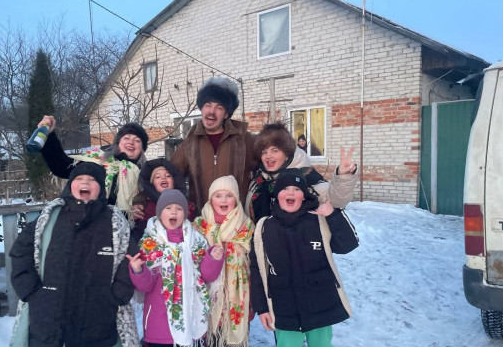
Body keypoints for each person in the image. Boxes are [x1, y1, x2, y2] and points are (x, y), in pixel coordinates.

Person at [8, 162, 141, 347]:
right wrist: (31, 292)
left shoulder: (113, 222)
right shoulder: (50, 217)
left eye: (92, 181)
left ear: (101, 189)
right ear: (70, 185)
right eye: (80, 179)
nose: (85, 183)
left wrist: (116, 296)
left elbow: (130, 259)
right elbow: (20, 254)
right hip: (49, 315)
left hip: (95, 317)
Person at [250, 169, 359, 347]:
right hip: (284, 307)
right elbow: (257, 271)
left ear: (303, 196)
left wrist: (333, 214)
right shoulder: (264, 227)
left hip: (320, 304)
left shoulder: (318, 221)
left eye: (296, 189)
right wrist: (262, 308)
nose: (291, 193)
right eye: (285, 189)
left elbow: (348, 244)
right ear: (277, 195)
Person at [127, 189, 225, 347]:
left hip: (192, 325)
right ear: (160, 213)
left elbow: (207, 275)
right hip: (159, 327)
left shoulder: (197, 240)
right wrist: (138, 270)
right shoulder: (149, 243)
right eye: (168, 208)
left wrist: (213, 258)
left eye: (179, 208)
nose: (174, 212)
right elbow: (145, 285)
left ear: (185, 213)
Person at [193, 176, 255, 347]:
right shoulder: (198, 226)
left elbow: (254, 264)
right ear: (211, 199)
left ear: (236, 199)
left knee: (232, 343)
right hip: (206, 294)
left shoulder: (246, 227)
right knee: (207, 339)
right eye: (218, 195)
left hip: (237, 296)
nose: (224, 200)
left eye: (229, 195)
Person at [171, 77, 258, 212]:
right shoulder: (189, 145)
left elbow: (272, 161)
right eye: (208, 105)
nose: (212, 111)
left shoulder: (243, 140)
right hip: (201, 220)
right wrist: (141, 200)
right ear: (201, 108)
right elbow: (167, 176)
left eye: (219, 107)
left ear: (226, 114)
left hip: (236, 221)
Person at [246, 122, 357, 224]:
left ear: (287, 154)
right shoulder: (257, 180)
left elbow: (335, 202)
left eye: (274, 150)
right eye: (264, 152)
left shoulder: (306, 179)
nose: (268, 156)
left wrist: (343, 177)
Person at [37, 115, 149, 215]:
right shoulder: (95, 159)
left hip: (117, 227)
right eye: (126, 138)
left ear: (142, 149)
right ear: (118, 143)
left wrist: (138, 205)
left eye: (137, 140)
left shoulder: (145, 175)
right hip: (77, 220)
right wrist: (49, 135)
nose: (131, 142)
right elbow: (61, 167)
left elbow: (149, 199)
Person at [131, 158, 197, 238]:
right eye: (157, 177)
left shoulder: (186, 204)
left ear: (174, 182)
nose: (163, 178)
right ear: (152, 184)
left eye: (168, 176)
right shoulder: (144, 205)